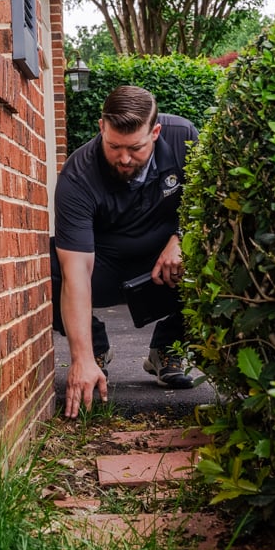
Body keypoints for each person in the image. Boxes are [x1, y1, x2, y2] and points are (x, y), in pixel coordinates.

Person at [52, 85, 197, 418]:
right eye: (114, 146)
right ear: (102, 127)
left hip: (165, 262)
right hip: (105, 266)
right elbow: (76, 272)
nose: (125, 158)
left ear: (156, 132)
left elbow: (209, 201)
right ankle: (96, 352)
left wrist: (181, 237)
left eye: (136, 147)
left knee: (214, 254)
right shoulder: (77, 175)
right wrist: (80, 357)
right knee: (48, 269)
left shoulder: (183, 137)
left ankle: (167, 348)